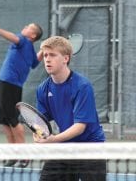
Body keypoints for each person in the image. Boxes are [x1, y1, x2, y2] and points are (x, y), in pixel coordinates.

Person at [34, 36, 106, 181]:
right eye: (45, 55)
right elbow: (40, 121)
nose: (47, 59)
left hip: (91, 150)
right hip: (64, 149)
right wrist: (39, 133)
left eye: (53, 55)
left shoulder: (82, 86)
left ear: (65, 59)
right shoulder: (42, 89)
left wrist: (53, 140)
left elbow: (79, 127)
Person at [0, 20, 43, 167]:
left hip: (9, 85)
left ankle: (24, 156)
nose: (24, 27)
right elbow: (35, 63)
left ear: (32, 35)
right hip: (6, 84)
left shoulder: (23, 41)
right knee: (6, 122)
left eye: (27, 27)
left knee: (13, 120)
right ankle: (13, 155)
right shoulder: (30, 48)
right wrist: (43, 50)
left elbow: (14, 37)